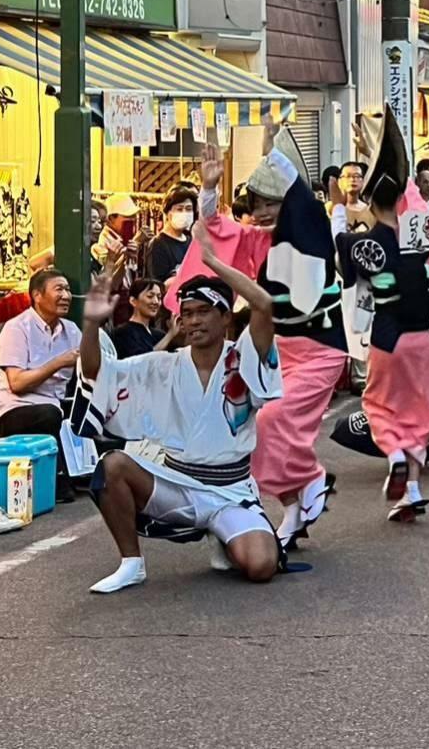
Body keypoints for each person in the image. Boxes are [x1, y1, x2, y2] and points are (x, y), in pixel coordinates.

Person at [72, 239, 284, 593]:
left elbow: (264, 304)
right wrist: (92, 324)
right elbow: (98, 373)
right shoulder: (164, 365)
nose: (193, 321)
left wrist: (214, 262)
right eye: (187, 314)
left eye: (203, 311)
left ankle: (225, 533)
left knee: (261, 565)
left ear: (225, 316)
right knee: (113, 466)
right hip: (177, 485)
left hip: (231, 490)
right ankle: (131, 563)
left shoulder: (244, 358)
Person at [171, 130, 349, 550]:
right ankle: (295, 504)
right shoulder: (258, 241)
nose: (263, 211)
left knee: (275, 423)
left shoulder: (310, 230)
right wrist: (210, 187)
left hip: (321, 350)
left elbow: (302, 196)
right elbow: (214, 228)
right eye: (257, 205)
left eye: (271, 202)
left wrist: (276, 152)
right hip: (278, 351)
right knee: (249, 428)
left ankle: (310, 482)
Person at [337, 107, 429, 522]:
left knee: (380, 405)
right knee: (420, 411)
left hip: (386, 333)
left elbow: (345, 262)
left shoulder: (361, 243)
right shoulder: (422, 232)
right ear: (402, 196)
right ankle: (412, 488)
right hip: (422, 335)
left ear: (367, 198)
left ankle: (395, 454)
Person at [0, 267, 80, 503]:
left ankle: (79, 475)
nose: (66, 295)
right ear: (37, 295)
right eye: (59, 289)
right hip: (17, 411)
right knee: (50, 414)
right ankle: (59, 479)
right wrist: (59, 362)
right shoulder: (16, 328)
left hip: (57, 408)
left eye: (68, 290)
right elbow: (17, 383)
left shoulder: (71, 330)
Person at [145, 186, 197, 288]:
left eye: (188, 209)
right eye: (179, 209)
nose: (185, 213)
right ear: (168, 213)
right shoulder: (158, 244)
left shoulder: (191, 241)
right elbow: (157, 286)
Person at [110, 279, 170, 359]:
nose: (155, 302)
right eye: (150, 296)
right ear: (133, 301)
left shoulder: (160, 335)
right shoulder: (122, 333)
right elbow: (141, 361)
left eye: (159, 297)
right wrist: (170, 335)